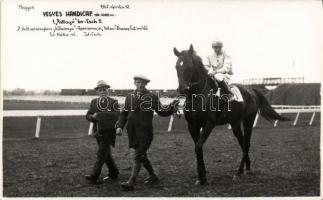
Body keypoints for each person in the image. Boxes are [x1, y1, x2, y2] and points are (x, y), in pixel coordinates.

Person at [115, 75, 179, 191]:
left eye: (142, 83)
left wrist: (172, 107)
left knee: (138, 155)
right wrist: (119, 126)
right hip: (132, 131)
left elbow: (161, 111)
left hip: (145, 132)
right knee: (142, 156)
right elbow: (124, 113)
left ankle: (131, 182)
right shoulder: (129, 96)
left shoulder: (152, 97)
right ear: (134, 83)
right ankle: (153, 176)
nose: (140, 85)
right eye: (138, 82)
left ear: (146, 84)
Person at [85, 80, 120, 184]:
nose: (103, 91)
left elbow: (117, 115)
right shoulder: (94, 102)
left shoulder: (113, 102)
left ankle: (94, 176)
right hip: (97, 132)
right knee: (106, 153)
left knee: (101, 154)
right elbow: (87, 115)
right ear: (97, 92)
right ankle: (114, 172)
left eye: (104, 89)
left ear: (108, 90)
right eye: (100, 90)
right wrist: (93, 117)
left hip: (109, 132)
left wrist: (100, 115)